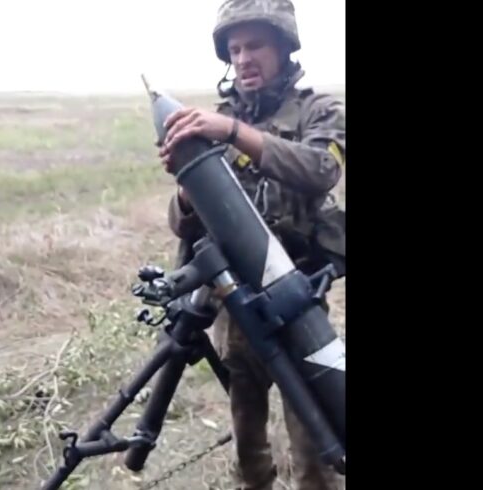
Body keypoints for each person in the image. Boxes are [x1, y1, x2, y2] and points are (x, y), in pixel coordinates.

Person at [160, 1, 346, 489]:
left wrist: (234, 135)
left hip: (296, 300)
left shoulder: (319, 110)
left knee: (315, 439)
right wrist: (187, 190)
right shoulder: (215, 120)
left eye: (255, 46)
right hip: (234, 302)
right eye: (235, 49)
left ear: (284, 48)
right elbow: (182, 225)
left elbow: (321, 169)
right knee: (247, 432)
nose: (243, 59)